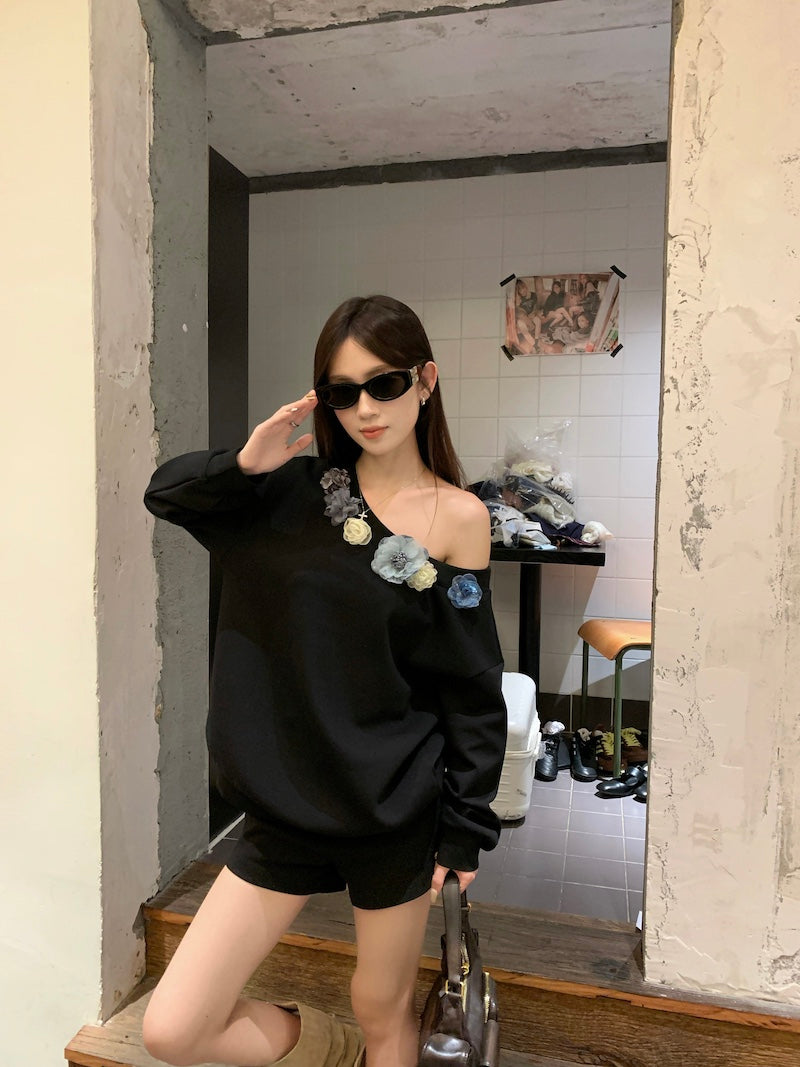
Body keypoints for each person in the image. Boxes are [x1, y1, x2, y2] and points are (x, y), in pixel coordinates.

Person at [141, 295, 507, 1067]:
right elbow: (166, 494)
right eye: (343, 391)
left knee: (382, 1007)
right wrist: (245, 463)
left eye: (385, 383)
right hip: (284, 805)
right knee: (173, 1029)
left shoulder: (461, 518)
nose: (365, 408)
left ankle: (372, 1044)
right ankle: (332, 1050)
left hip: (392, 810)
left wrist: (464, 827)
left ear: (426, 380)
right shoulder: (284, 494)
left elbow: (471, 684)